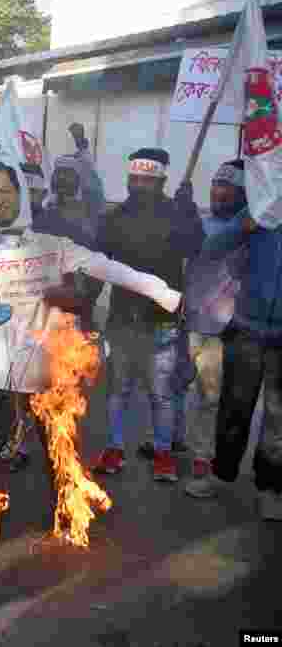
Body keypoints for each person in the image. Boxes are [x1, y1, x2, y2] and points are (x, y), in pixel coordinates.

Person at [0, 149, 182, 543]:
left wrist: (163, 293)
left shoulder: (54, 245)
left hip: (49, 370)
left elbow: (109, 268)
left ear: (20, 191)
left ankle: (67, 515)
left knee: (58, 446)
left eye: (4, 190)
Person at [93, 148, 205, 482]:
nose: (140, 184)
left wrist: (189, 213)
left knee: (162, 394)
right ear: (128, 179)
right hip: (122, 321)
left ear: (161, 181)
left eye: (148, 180)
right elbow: (99, 263)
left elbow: (194, 246)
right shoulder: (114, 218)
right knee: (118, 391)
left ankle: (163, 454)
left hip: (163, 323)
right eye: (135, 178)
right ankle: (114, 449)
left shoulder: (178, 214)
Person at [200, 174, 282, 520]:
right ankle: (222, 475)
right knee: (234, 407)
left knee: (279, 418)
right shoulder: (262, 206)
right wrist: (243, 227)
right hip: (247, 326)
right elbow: (213, 247)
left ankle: (271, 488)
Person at [177, 161, 248, 499]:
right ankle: (175, 443)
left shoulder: (247, 227)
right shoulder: (202, 220)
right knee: (179, 388)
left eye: (228, 187)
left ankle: (203, 458)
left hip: (223, 329)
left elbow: (214, 244)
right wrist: (181, 214)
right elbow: (183, 247)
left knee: (210, 397)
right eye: (216, 183)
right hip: (190, 321)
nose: (218, 191)